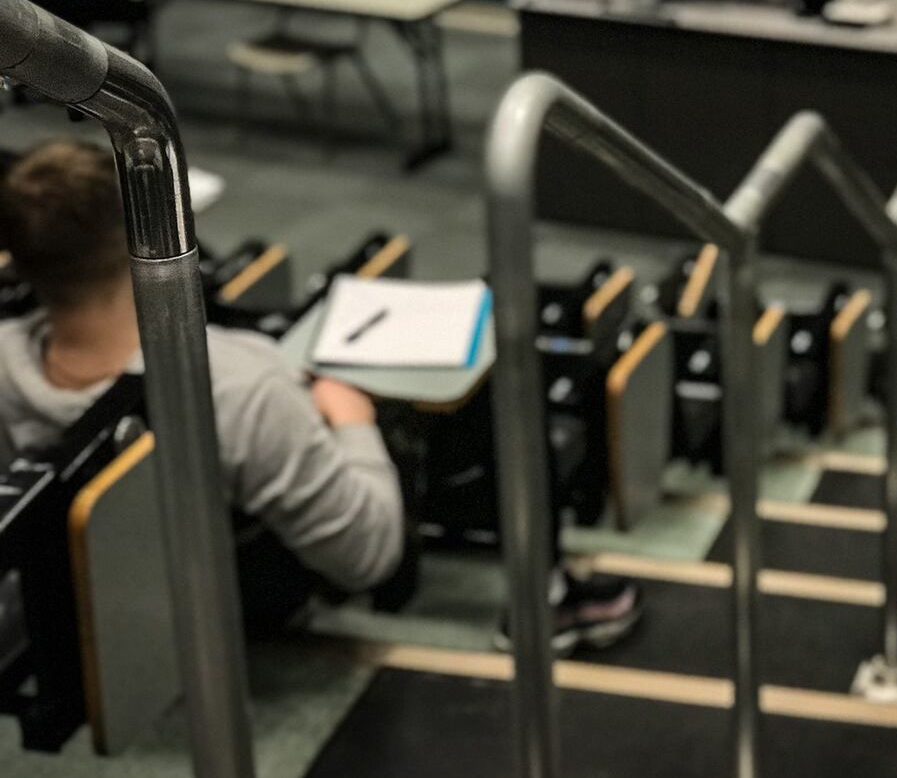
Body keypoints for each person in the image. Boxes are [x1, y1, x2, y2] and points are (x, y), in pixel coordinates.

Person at [0, 140, 639, 650]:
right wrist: (352, 420)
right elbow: (368, 556)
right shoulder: (233, 385)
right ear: (146, 239)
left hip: (116, 587)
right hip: (245, 588)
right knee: (495, 400)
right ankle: (547, 601)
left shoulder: (7, 362)